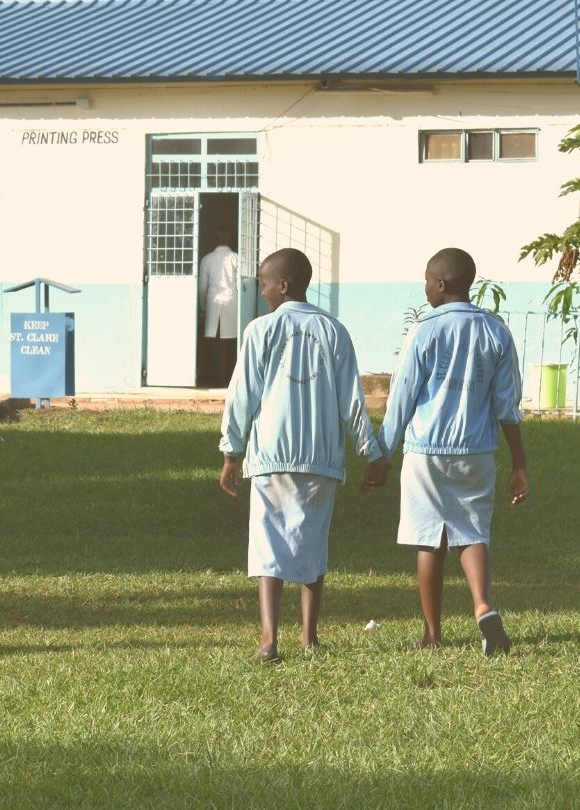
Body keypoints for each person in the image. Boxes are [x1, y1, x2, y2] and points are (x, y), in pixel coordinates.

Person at [219, 247, 388, 664]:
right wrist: (371, 451)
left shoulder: (260, 330)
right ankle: (309, 638)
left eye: (263, 284)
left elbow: (242, 396)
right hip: (320, 456)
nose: (262, 293)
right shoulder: (334, 331)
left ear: (283, 285)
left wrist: (231, 451)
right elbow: (352, 400)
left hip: (271, 455)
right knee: (313, 543)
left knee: (267, 544)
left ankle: (268, 639)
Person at [366, 247, 529, 655]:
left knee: (429, 539)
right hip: (477, 451)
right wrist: (519, 464)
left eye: (426, 280)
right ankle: (483, 605)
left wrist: (382, 453)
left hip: (425, 451)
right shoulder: (496, 331)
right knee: (473, 533)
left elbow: (401, 395)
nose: (425, 287)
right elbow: (507, 404)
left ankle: (432, 634)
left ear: (440, 284)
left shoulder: (423, 330)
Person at [198, 230, 241, 386]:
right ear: (231, 240)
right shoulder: (237, 258)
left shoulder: (207, 259)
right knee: (231, 344)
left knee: (215, 344)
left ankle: (218, 379)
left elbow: (202, 287)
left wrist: (203, 306)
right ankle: (230, 379)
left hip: (213, 303)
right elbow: (239, 284)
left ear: (215, 241)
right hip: (232, 302)